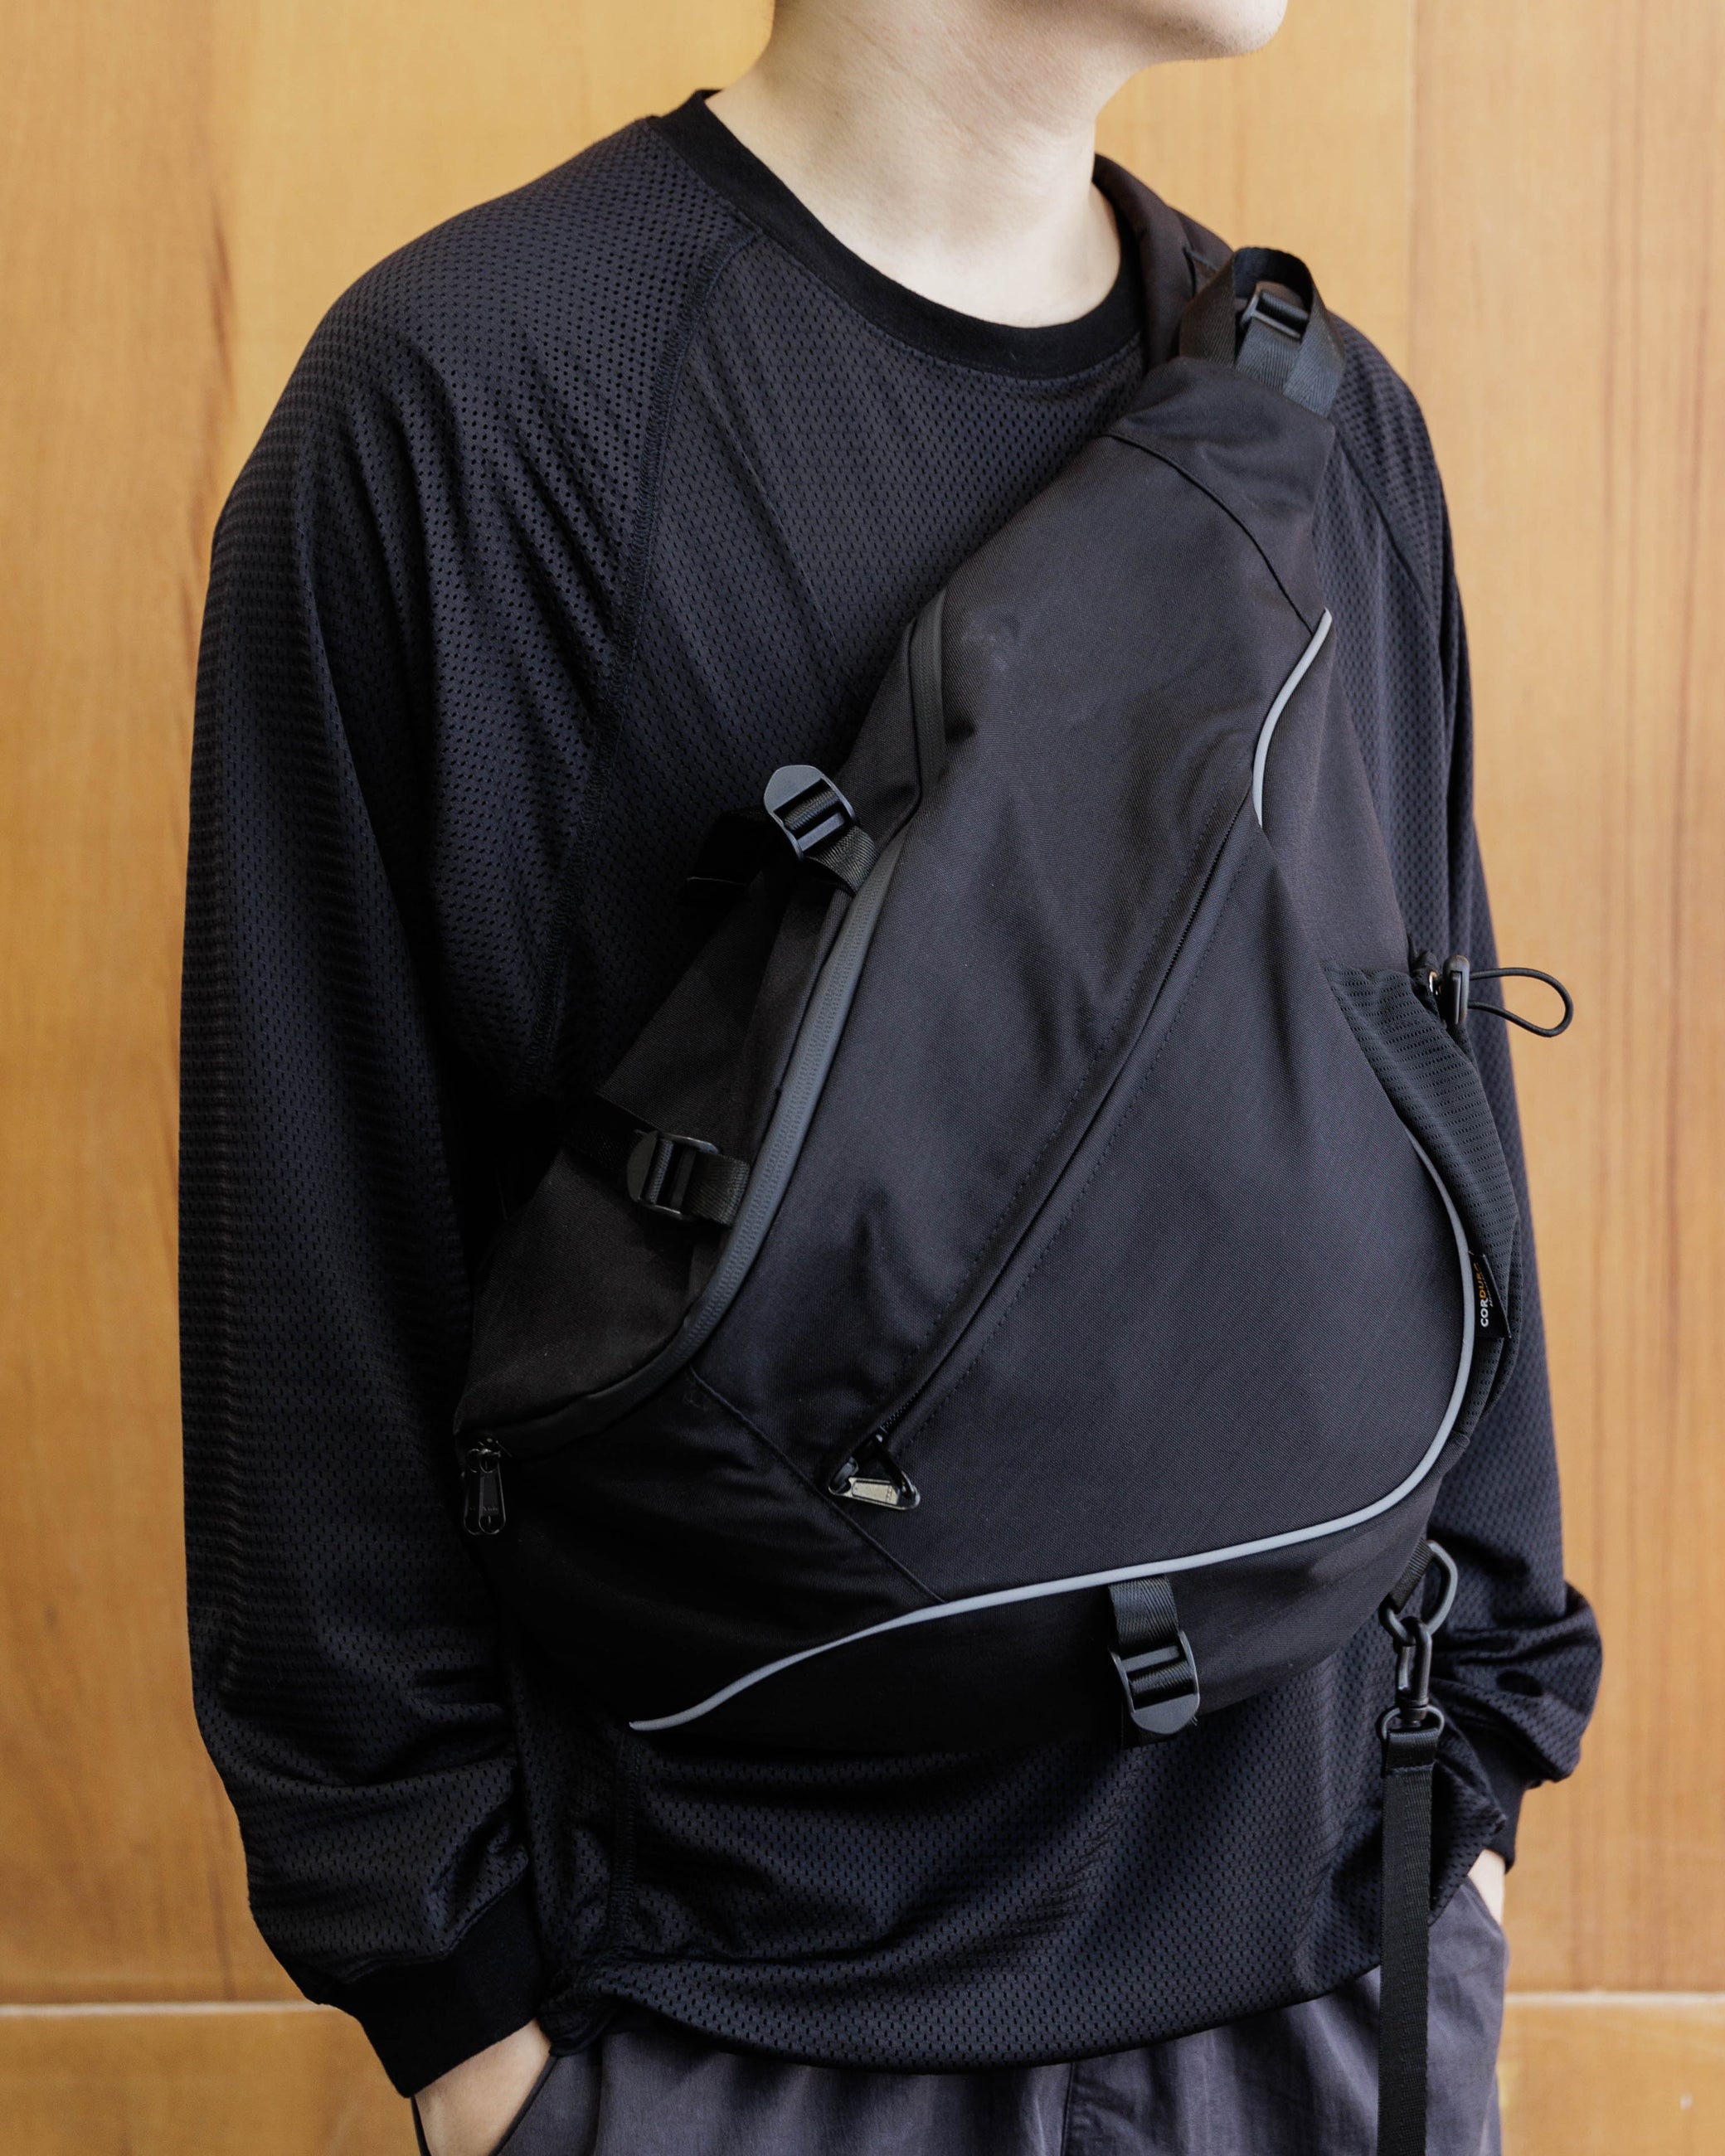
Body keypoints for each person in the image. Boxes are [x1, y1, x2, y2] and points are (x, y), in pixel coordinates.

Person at [180, 1, 1601, 2150]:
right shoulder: (474, 401)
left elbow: (1438, 1135)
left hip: (1330, 1964)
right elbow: (319, 1260)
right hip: (731, 2024)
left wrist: (1470, 1793)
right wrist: (470, 2017)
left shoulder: (1326, 429)